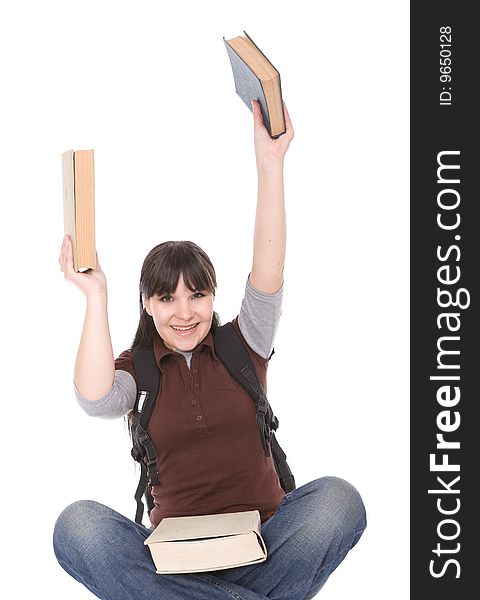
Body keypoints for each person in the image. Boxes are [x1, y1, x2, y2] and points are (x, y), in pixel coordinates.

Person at [53, 100, 366, 600]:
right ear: (147, 304)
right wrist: (95, 296)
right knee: (78, 528)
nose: (184, 312)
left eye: (197, 294)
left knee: (338, 501)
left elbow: (268, 263)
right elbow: (94, 398)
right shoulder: (139, 371)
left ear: (213, 297)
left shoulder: (245, 344)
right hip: (172, 565)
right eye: (167, 297)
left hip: (266, 551)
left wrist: (271, 163)